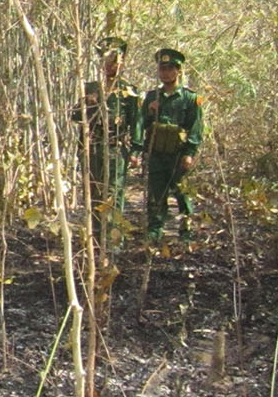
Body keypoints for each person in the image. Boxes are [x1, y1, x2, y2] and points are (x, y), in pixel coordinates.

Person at [73, 37, 141, 247]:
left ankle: (112, 244)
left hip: (115, 149)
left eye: (116, 60)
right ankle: (95, 241)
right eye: (108, 60)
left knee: (113, 196)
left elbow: (136, 123)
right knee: (93, 194)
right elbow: (75, 117)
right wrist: (87, 105)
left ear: (122, 62)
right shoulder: (90, 88)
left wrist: (135, 152)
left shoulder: (129, 92)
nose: (112, 65)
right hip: (92, 149)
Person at [134, 48, 204, 242]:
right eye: (162, 68)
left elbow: (196, 128)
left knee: (182, 194)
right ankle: (155, 231)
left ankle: (186, 230)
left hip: (178, 154)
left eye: (169, 68)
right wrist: (149, 111)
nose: (165, 73)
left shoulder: (190, 98)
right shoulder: (152, 97)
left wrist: (189, 153)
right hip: (156, 154)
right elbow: (141, 125)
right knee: (156, 195)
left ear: (178, 71)